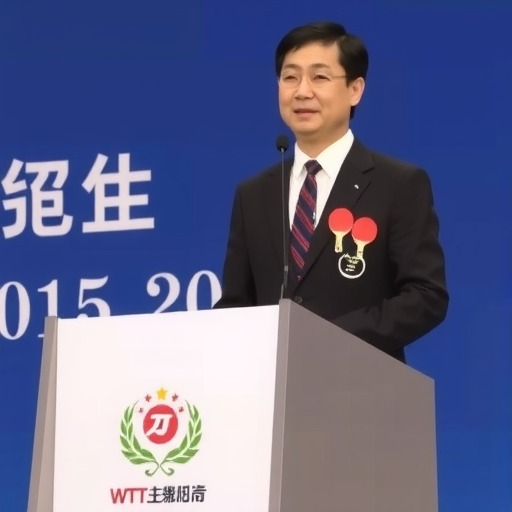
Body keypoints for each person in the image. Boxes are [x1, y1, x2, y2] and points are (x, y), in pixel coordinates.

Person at [215, 21, 448, 363]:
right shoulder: (253, 194)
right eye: (290, 77)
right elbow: (236, 305)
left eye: (319, 77)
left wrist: (330, 339)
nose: (302, 91)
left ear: (355, 89)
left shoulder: (398, 183)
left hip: (361, 380)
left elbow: (426, 296)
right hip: (272, 384)